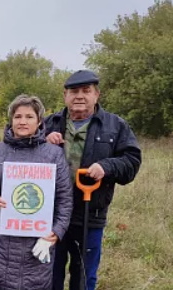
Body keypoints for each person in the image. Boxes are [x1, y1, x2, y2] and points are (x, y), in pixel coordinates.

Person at [45, 70, 142, 290]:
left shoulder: (115, 126)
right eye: (74, 91)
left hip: (90, 213)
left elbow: (132, 161)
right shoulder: (50, 123)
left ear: (96, 95)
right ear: (65, 96)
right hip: (52, 214)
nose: (79, 96)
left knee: (84, 276)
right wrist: (42, 141)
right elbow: (21, 148)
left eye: (86, 91)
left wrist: (107, 166)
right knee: (50, 273)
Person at [0, 95, 73, 290]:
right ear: (11, 120)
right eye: (18, 116)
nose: (23, 121)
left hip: (38, 239)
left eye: (29, 117)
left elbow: (64, 199)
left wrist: (56, 232)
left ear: (39, 121)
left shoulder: (53, 154)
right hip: (0, 239)